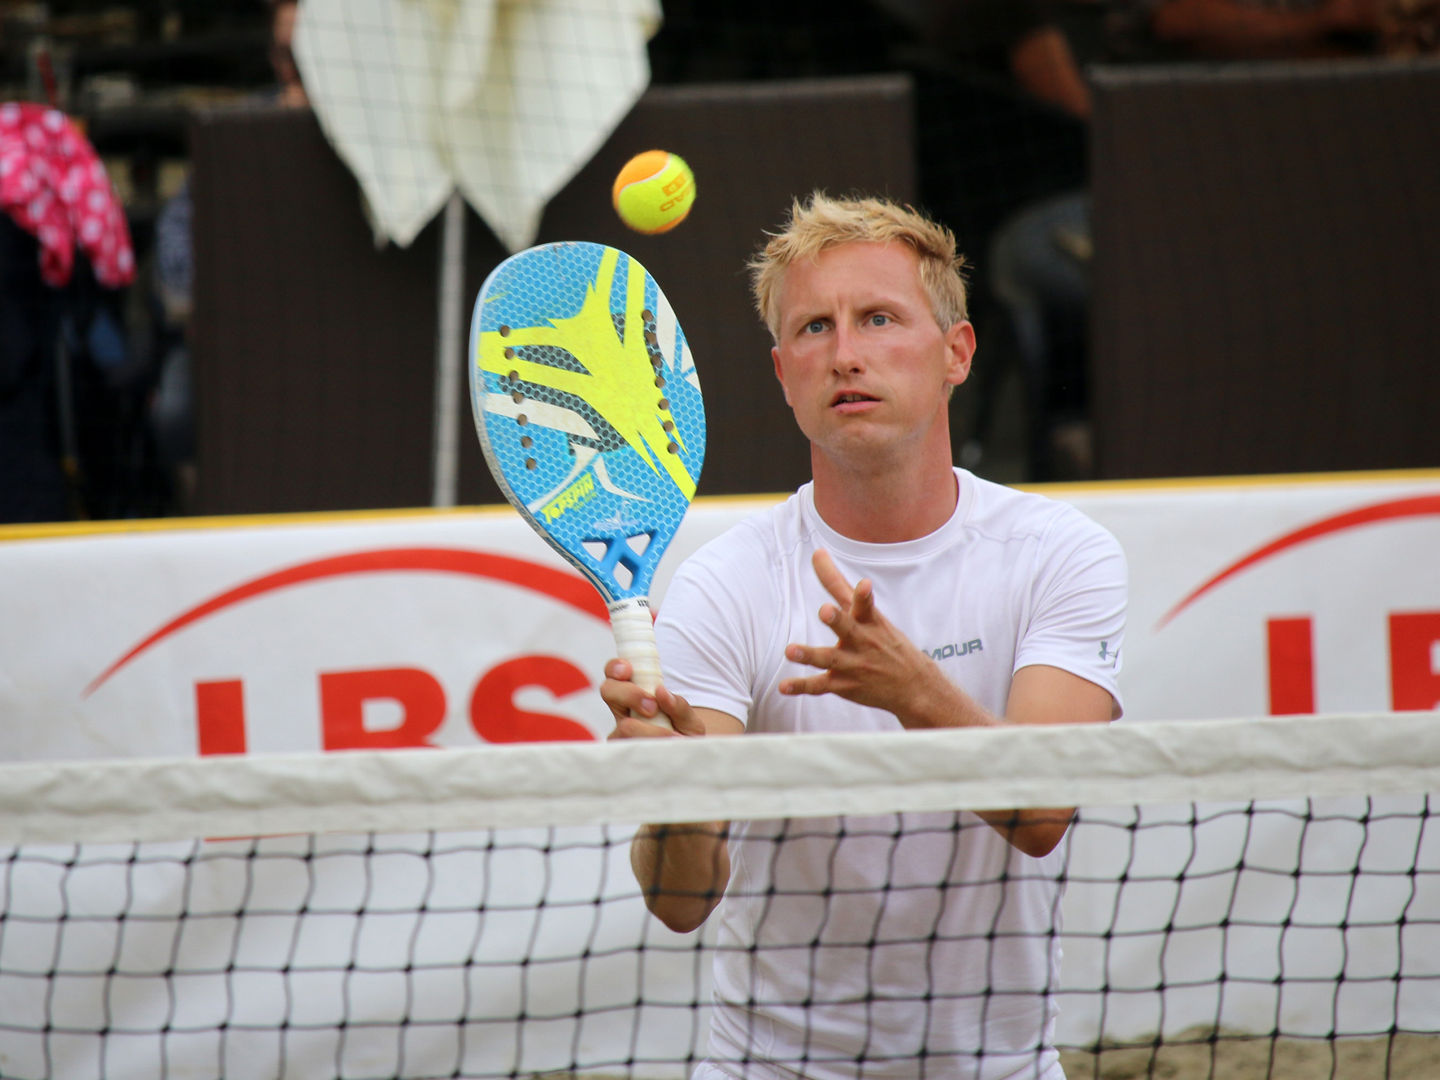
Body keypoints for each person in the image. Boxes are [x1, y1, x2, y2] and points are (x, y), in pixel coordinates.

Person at [601, 193, 1128, 1080]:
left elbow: (1042, 816)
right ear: (782, 373)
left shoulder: (1061, 555)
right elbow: (682, 901)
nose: (844, 354)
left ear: (957, 352)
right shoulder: (725, 584)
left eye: (878, 318)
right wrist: (679, 791)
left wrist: (911, 690)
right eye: (813, 329)